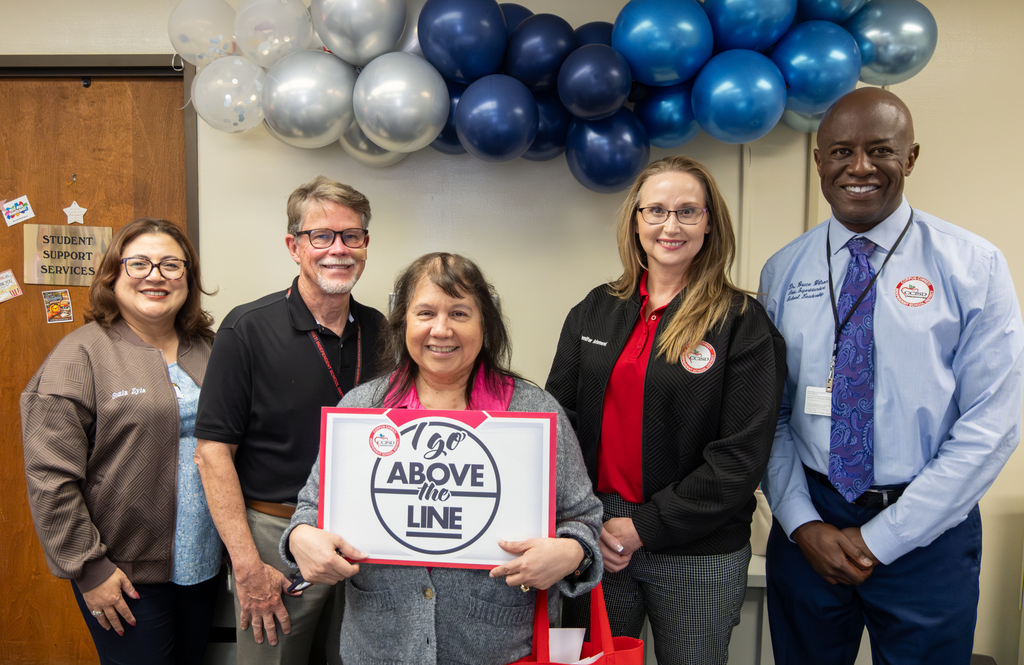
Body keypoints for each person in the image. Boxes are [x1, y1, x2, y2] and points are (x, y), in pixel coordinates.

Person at [758, 87, 1024, 664]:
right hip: (812, 526)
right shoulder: (783, 270)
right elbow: (768, 415)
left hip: (928, 533)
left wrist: (886, 537)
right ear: (819, 161)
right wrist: (802, 523)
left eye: (880, 150)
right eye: (840, 152)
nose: (858, 168)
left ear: (911, 157)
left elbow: (992, 424)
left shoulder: (973, 266)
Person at [281, 252, 603, 664]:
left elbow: (583, 517)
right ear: (403, 323)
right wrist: (301, 538)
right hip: (381, 647)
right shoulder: (363, 409)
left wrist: (571, 552)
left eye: (460, 313)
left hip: (497, 648)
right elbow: (310, 509)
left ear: (485, 324)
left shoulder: (533, 411)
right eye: (426, 312)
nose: (441, 329)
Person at [545, 155, 787, 665]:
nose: (669, 225)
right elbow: (557, 423)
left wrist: (644, 527)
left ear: (710, 224)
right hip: (598, 535)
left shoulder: (741, 322)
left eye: (687, 212)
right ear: (635, 221)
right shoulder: (596, 308)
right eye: (655, 210)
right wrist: (586, 524)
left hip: (697, 546)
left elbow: (739, 458)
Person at [194, 177, 385, 665]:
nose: (338, 249)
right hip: (274, 538)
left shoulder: (384, 331)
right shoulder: (246, 328)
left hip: (367, 538)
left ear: (366, 244)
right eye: (321, 236)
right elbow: (212, 453)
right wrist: (247, 567)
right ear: (294, 246)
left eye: (352, 236)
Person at [22, 218, 220, 665]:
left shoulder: (211, 349)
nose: (156, 275)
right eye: (139, 263)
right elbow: (50, 477)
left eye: (171, 264)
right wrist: (89, 569)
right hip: (124, 574)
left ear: (188, 277)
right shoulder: (79, 357)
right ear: (112, 275)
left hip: (204, 565)